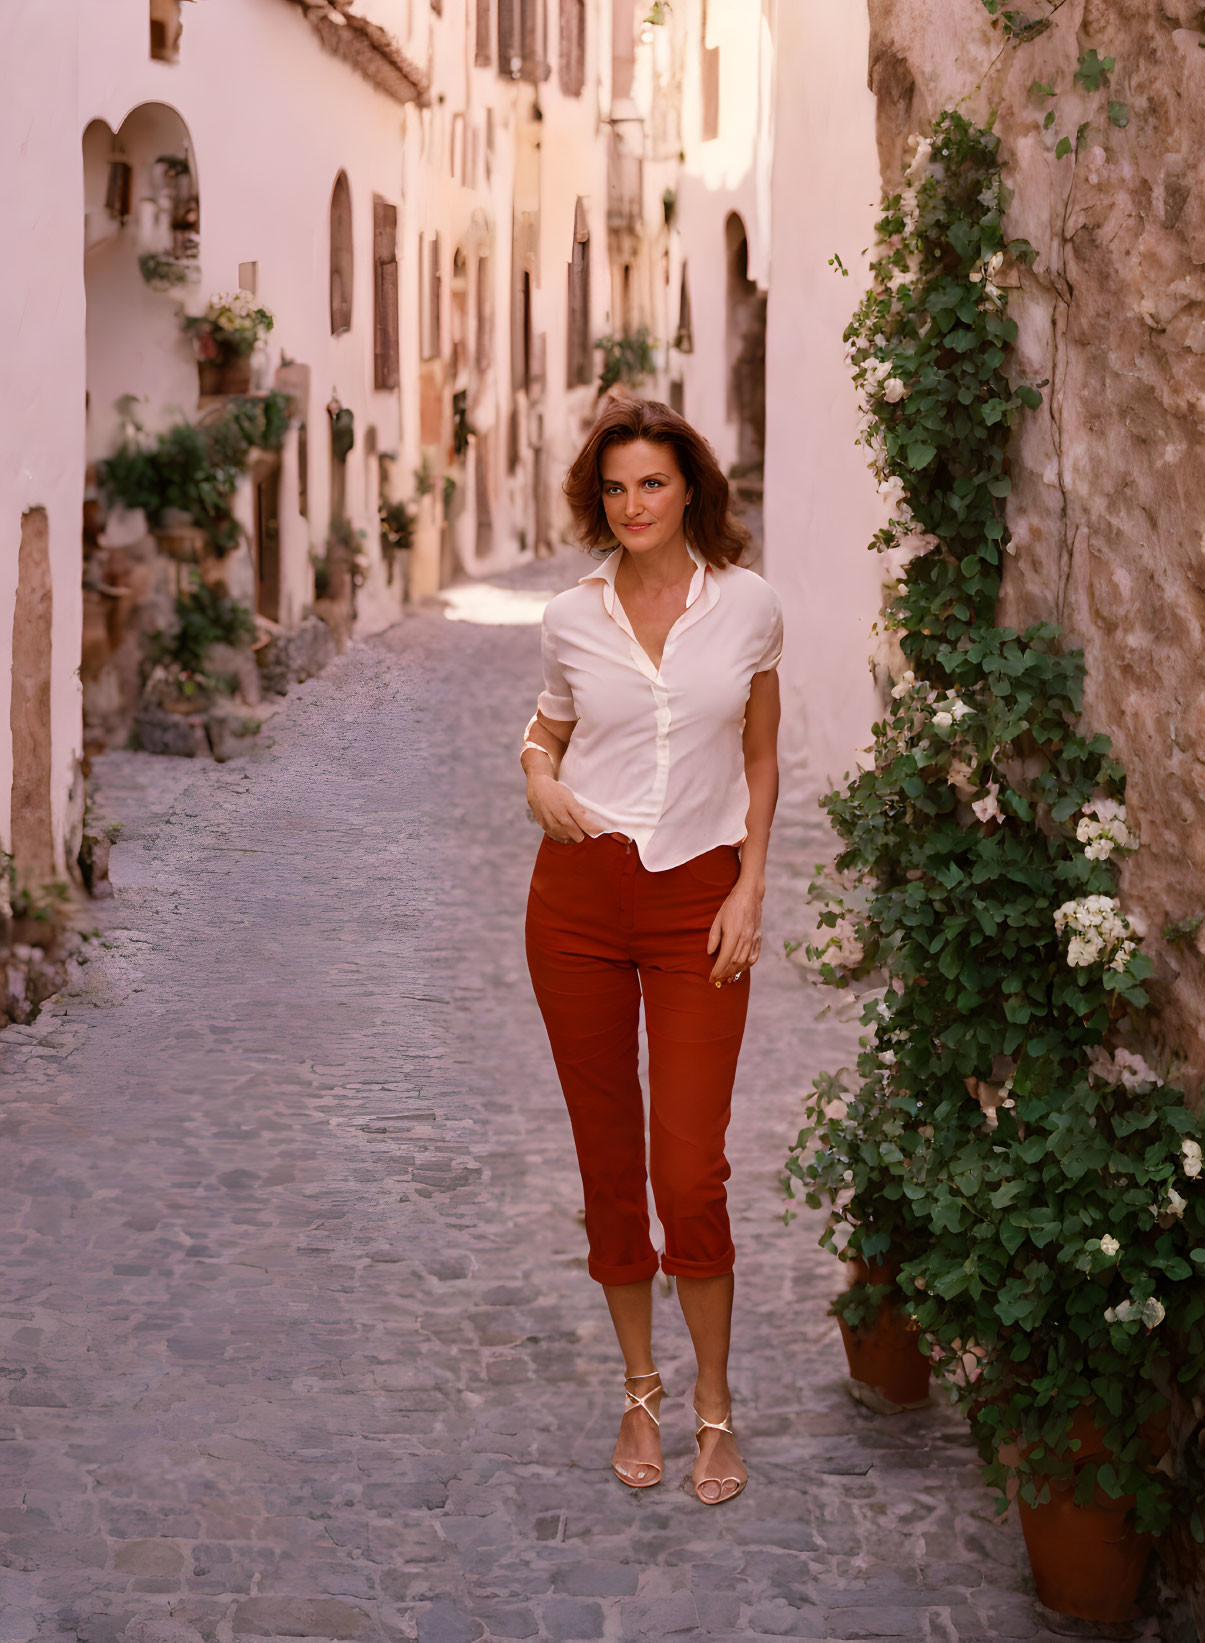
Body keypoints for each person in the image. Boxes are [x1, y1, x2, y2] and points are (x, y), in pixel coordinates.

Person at [521, 396, 782, 1505]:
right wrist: (537, 778)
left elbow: (763, 757)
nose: (634, 504)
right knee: (609, 1161)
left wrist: (751, 885)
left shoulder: (751, 607)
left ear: (692, 492)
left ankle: (714, 1405)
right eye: (617, 486)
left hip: (698, 905)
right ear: (601, 496)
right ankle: (640, 1387)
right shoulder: (571, 617)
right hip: (578, 902)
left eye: (654, 484)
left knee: (691, 1165)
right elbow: (548, 727)